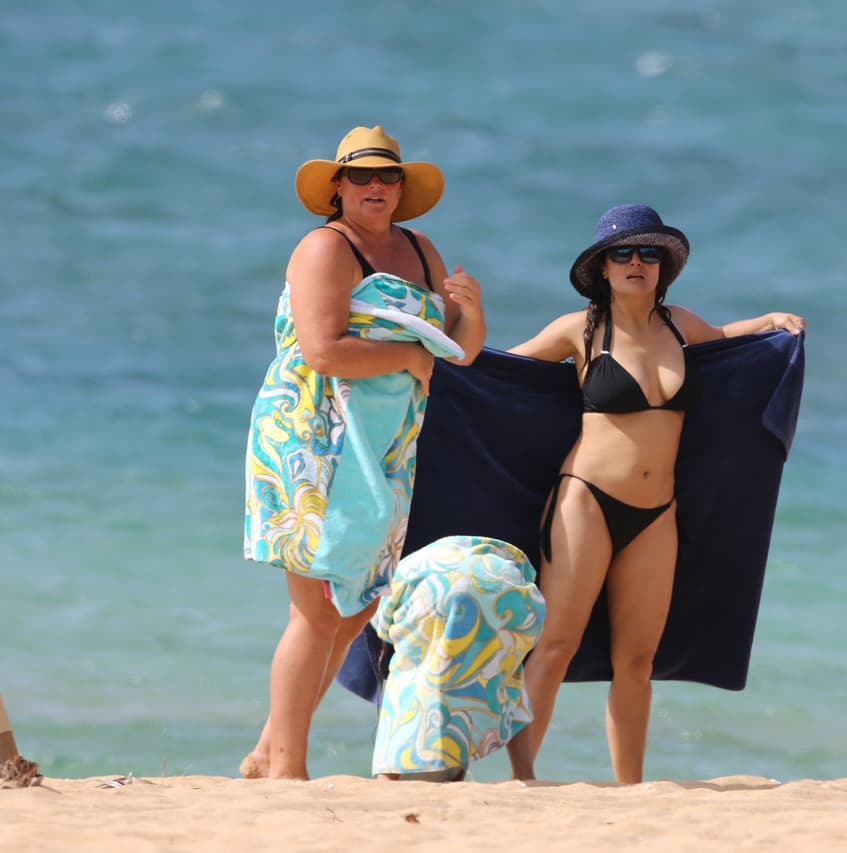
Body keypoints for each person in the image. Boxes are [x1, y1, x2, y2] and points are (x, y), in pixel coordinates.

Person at [507, 204, 804, 783]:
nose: (637, 262)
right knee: (555, 645)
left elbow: (723, 342)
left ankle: (631, 788)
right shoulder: (581, 329)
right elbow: (496, 371)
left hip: (655, 513)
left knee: (637, 662)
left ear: (664, 267)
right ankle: (521, 777)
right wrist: (445, 336)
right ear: (603, 267)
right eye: (623, 253)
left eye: (649, 253)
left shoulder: (679, 325)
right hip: (585, 499)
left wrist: (768, 321)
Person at [241, 125, 486, 780]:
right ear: (338, 188)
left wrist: (472, 310)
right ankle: (287, 768)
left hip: (385, 440)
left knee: (360, 607)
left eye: (387, 176)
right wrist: (408, 354)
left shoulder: (421, 248)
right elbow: (321, 349)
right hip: (312, 436)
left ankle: (270, 745)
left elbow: (459, 349)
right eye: (361, 176)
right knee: (315, 608)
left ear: (402, 188)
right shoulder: (326, 247)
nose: (375, 186)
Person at [372, 535, 544, 782]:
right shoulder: (413, 562)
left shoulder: (398, 572)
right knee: (506, 676)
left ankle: (387, 777)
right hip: (509, 582)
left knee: (403, 680)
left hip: (434, 585)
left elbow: (383, 624)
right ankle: (523, 772)